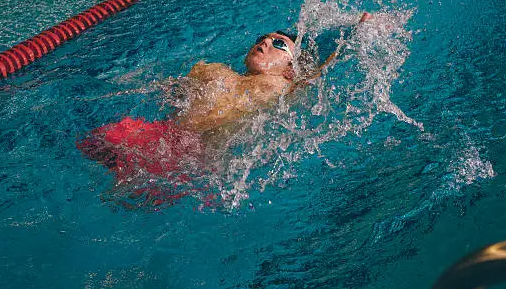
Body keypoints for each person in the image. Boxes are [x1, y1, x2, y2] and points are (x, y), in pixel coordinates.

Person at [78, 13, 372, 204]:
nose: (265, 43)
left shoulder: (282, 86)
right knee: (88, 146)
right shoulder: (213, 70)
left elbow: (320, 67)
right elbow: (170, 91)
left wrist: (357, 30)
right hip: (158, 134)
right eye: (263, 39)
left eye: (278, 45)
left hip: (190, 158)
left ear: (290, 69)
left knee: (117, 200)